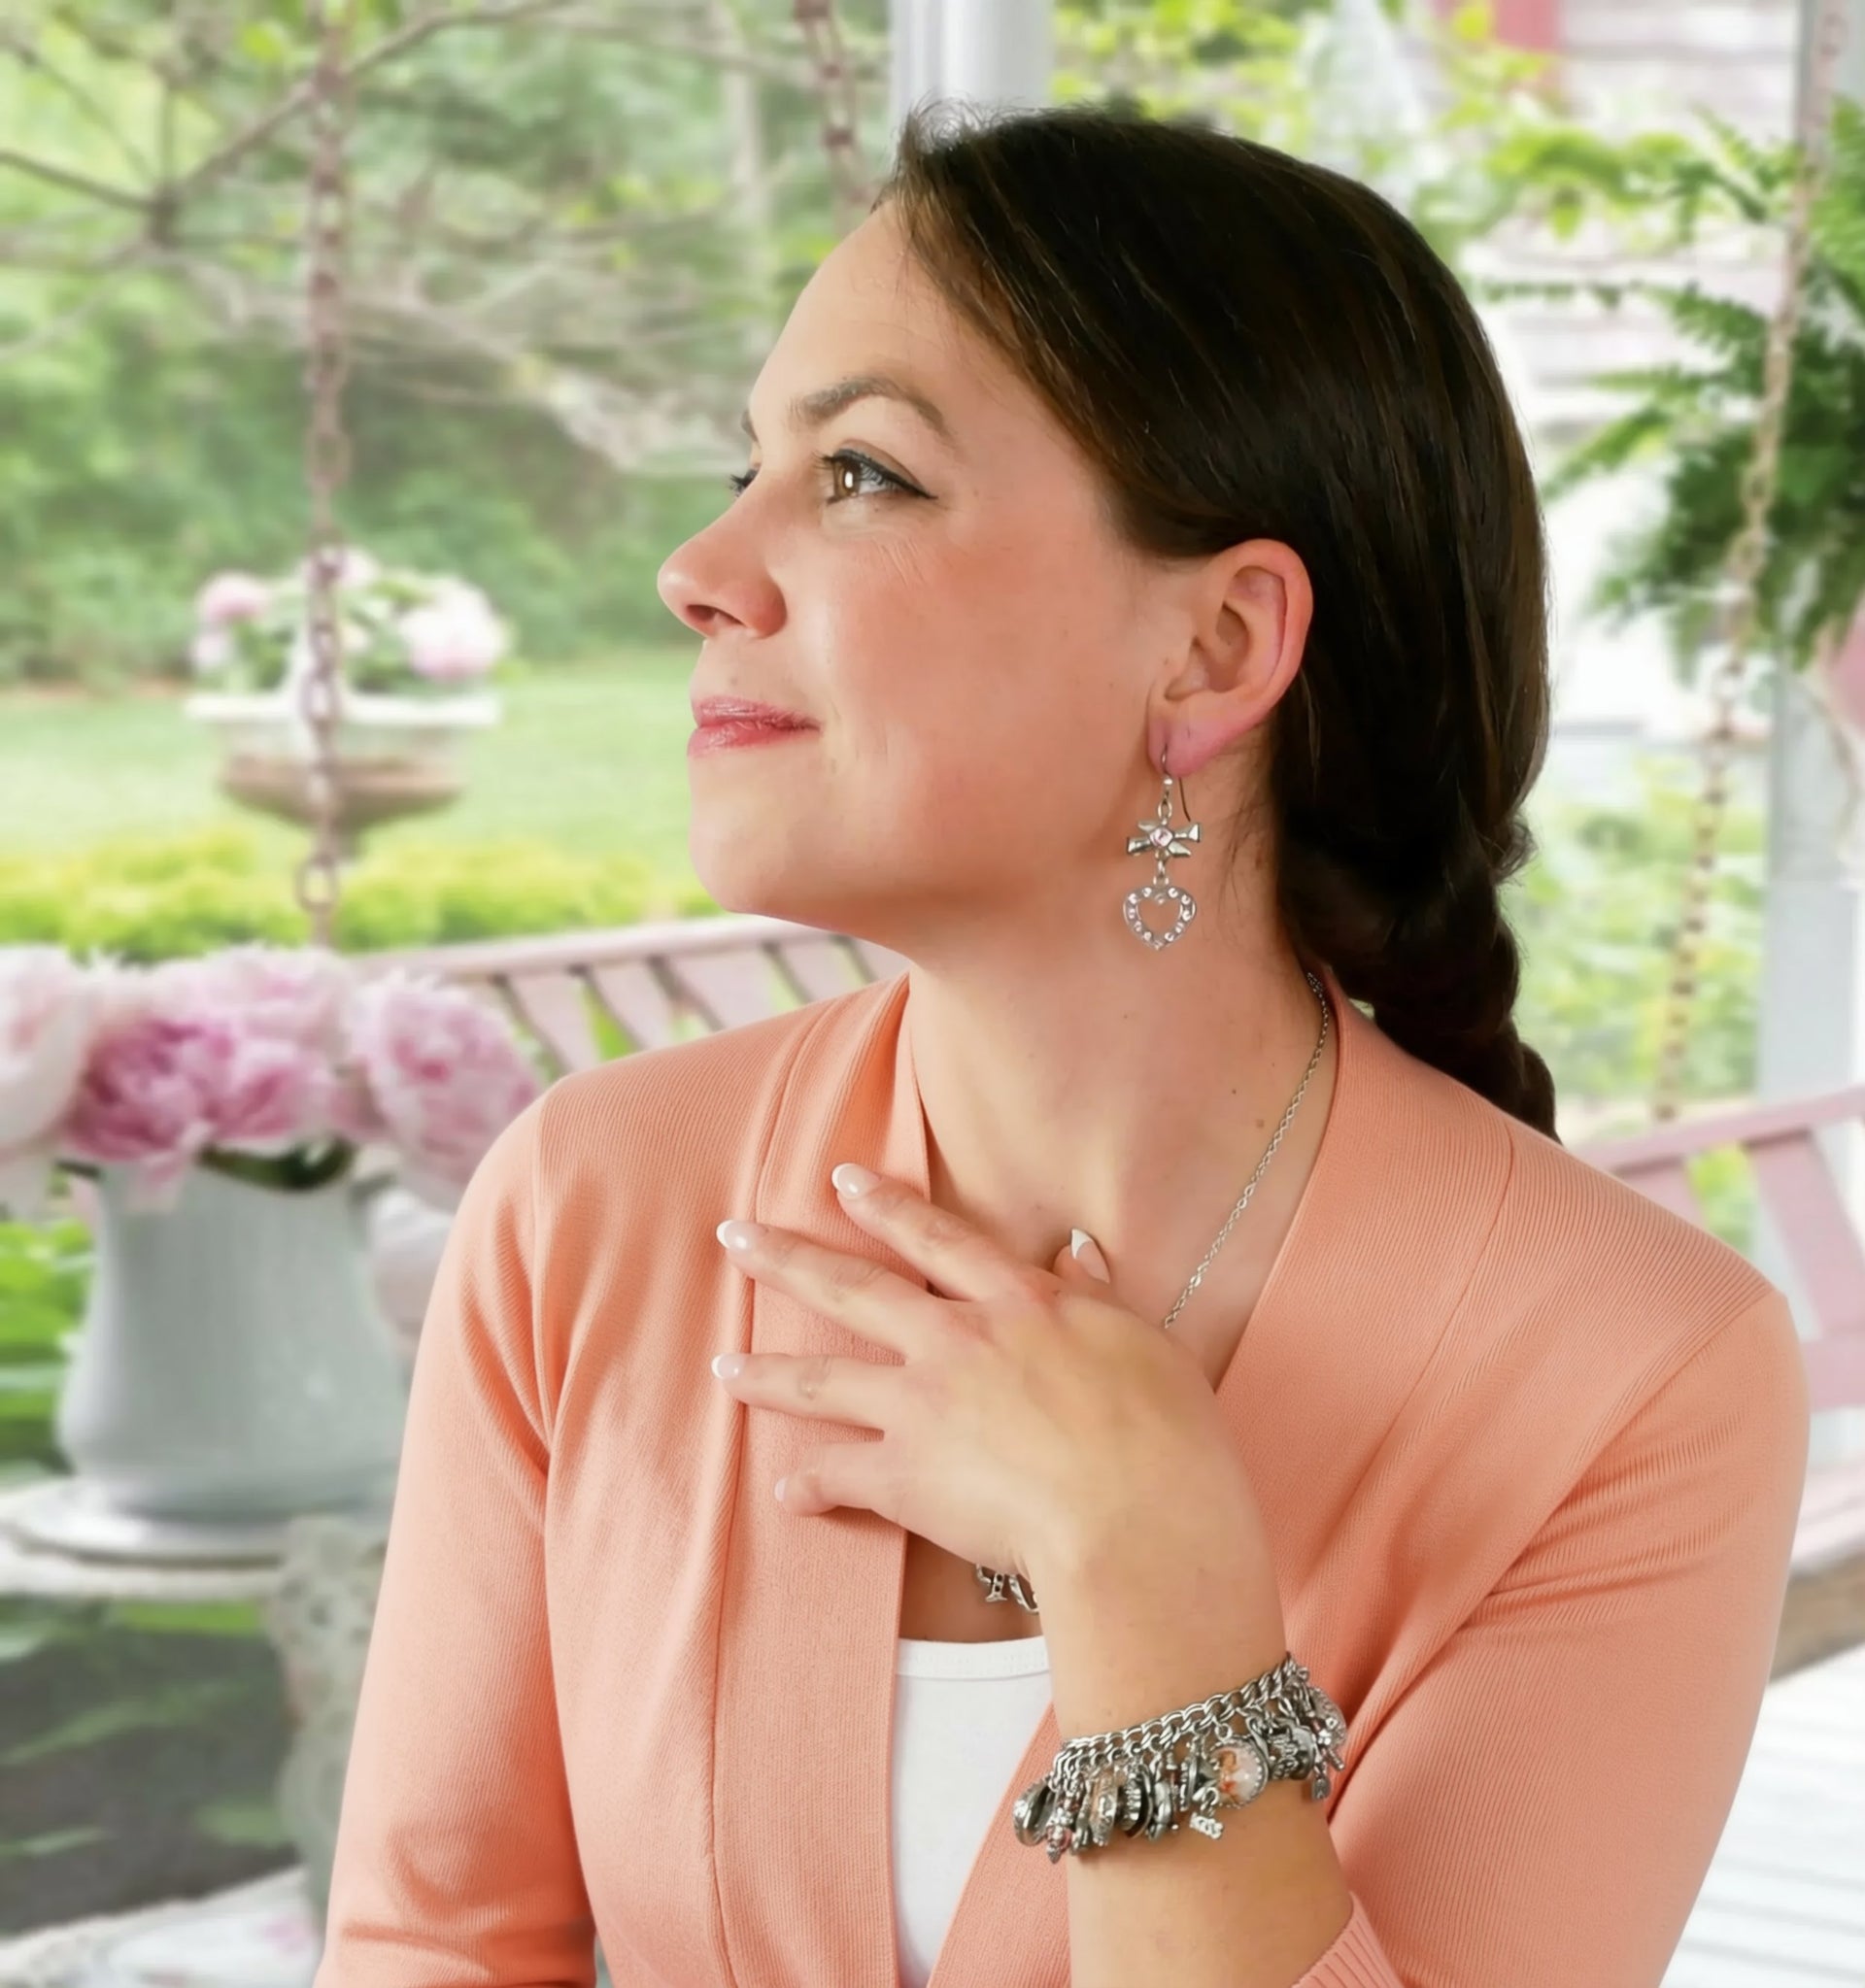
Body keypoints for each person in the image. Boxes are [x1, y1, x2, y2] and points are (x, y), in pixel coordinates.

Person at [314, 103, 1810, 1988]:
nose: (701, 566)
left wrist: (1152, 1580)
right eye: (747, 463)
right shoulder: (592, 1205)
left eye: (859, 473)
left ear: (1213, 651)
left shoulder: (1634, 1378)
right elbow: (430, 1949)